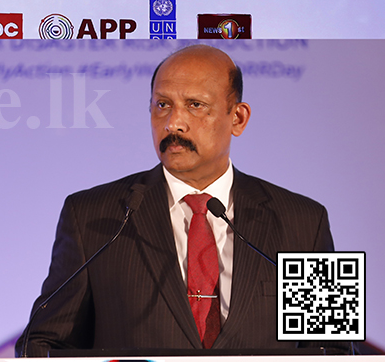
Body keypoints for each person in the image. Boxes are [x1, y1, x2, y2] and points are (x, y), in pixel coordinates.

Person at [17, 44, 338, 356]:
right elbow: (42, 343)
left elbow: (333, 349)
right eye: (162, 105)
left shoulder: (305, 221)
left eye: (195, 105)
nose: (173, 123)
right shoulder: (92, 216)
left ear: (238, 118)